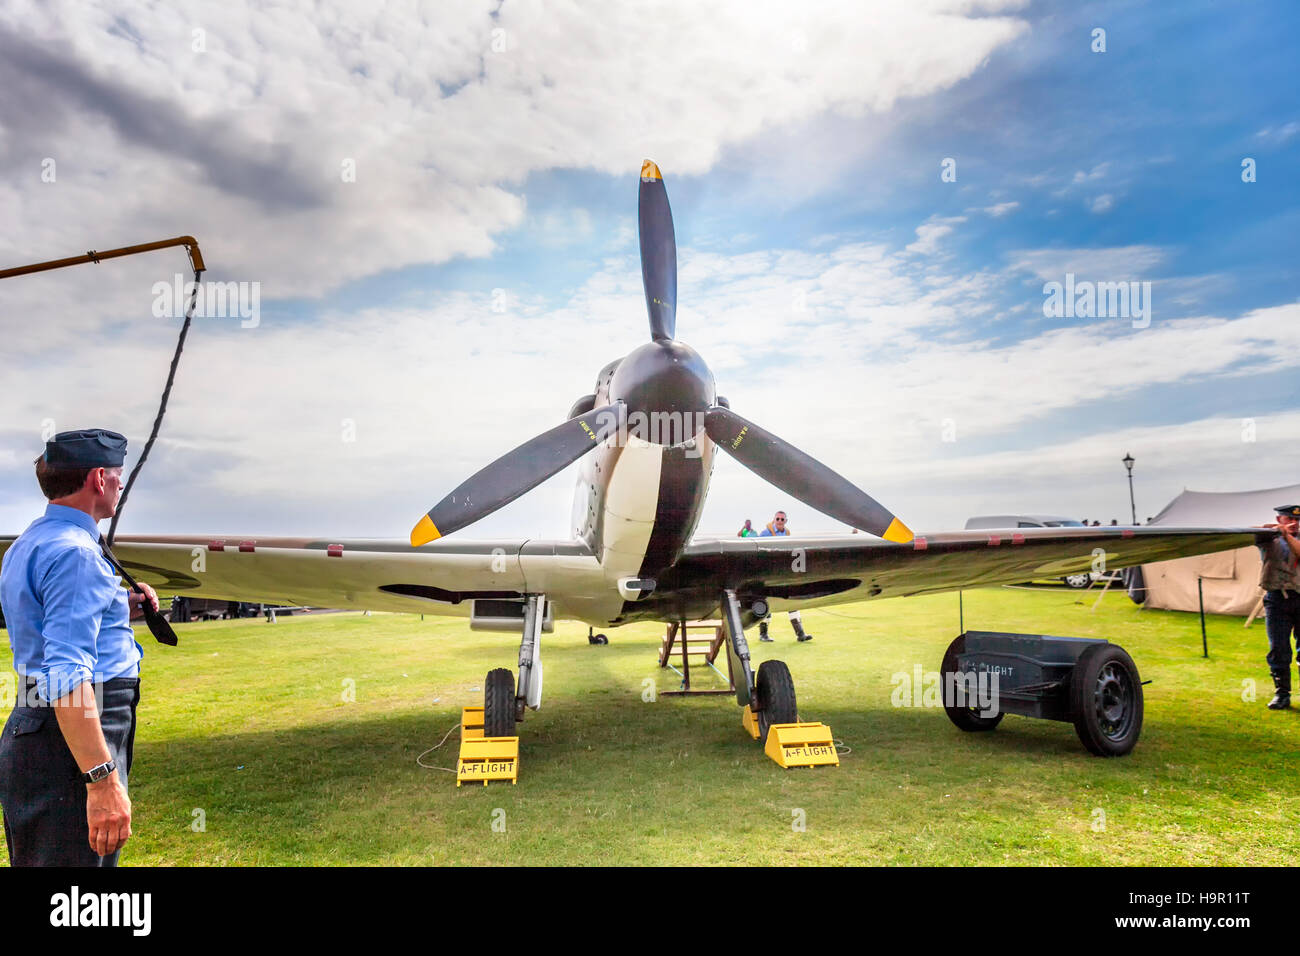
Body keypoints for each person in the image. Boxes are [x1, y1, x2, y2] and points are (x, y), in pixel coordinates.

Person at [0, 429, 158, 866]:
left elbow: (45, 622)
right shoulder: (76, 553)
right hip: (77, 729)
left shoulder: (29, 543)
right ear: (98, 478)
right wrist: (101, 780)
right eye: (118, 475)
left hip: (39, 723)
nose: (121, 484)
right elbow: (68, 676)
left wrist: (117, 607)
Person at [1256, 504, 1300, 710]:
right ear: (1279, 518)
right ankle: (1282, 693)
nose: (1294, 523)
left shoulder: (1294, 538)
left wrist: (1286, 535)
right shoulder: (1269, 536)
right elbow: (1252, 535)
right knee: (1278, 648)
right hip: (1277, 598)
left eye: (1298, 520)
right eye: (1289, 519)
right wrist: (1269, 529)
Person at [757, 510, 813, 643]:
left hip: (783, 573)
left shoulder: (787, 533)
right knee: (768, 602)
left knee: (791, 601)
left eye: (782, 519)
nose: (780, 521)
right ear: (774, 519)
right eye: (778, 519)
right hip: (768, 573)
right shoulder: (765, 534)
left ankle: (800, 634)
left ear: (785, 521)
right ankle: (763, 634)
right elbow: (759, 553)